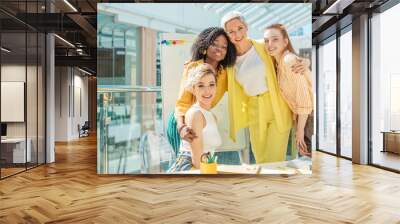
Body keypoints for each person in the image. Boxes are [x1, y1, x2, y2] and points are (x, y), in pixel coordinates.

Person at [220, 11, 308, 163]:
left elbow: (286, 54)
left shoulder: (263, 46)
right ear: (227, 35)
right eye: (231, 32)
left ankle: (274, 186)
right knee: (260, 158)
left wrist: (306, 62)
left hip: (276, 105)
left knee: (274, 159)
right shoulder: (229, 59)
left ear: (246, 27)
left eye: (240, 28)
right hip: (253, 108)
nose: (237, 34)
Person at [169, 27, 236, 151]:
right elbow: (182, 102)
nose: (219, 49)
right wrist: (181, 127)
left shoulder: (224, 73)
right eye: (214, 44)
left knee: (203, 161)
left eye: (224, 47)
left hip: (202, 122)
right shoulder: (193, 67)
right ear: (205, 47)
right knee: (187, 162)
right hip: (183, 122)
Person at [263, 24, 313, 157]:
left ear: (285, 42)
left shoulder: (288, 60)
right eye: (266, 40)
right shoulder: (280, 64)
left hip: (309, 119)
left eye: (275, 39)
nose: (269, 44)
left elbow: (304, 99)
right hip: (304, 119)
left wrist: (300, 130)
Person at [168, 64, 222, 172]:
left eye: (211, 84)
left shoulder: (211, 115)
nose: (207, 91)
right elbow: (197, 161)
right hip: (188, 169)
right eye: (201, 86)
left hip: (203, 168)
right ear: (193, 89)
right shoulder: (195, 114)